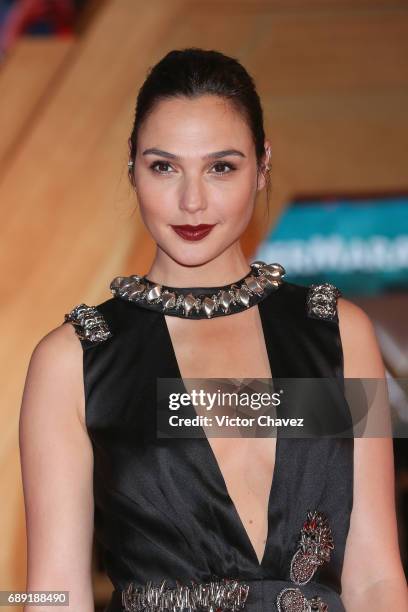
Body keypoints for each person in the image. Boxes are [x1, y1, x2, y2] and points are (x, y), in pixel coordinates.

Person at [19, 48, 408, 612]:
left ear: (263, 163)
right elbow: (53, 594)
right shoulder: (76, 361)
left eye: (221, 166)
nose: (192, 200)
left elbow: (374, 578)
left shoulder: (338, 336)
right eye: (164, 166)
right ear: (132, 164)